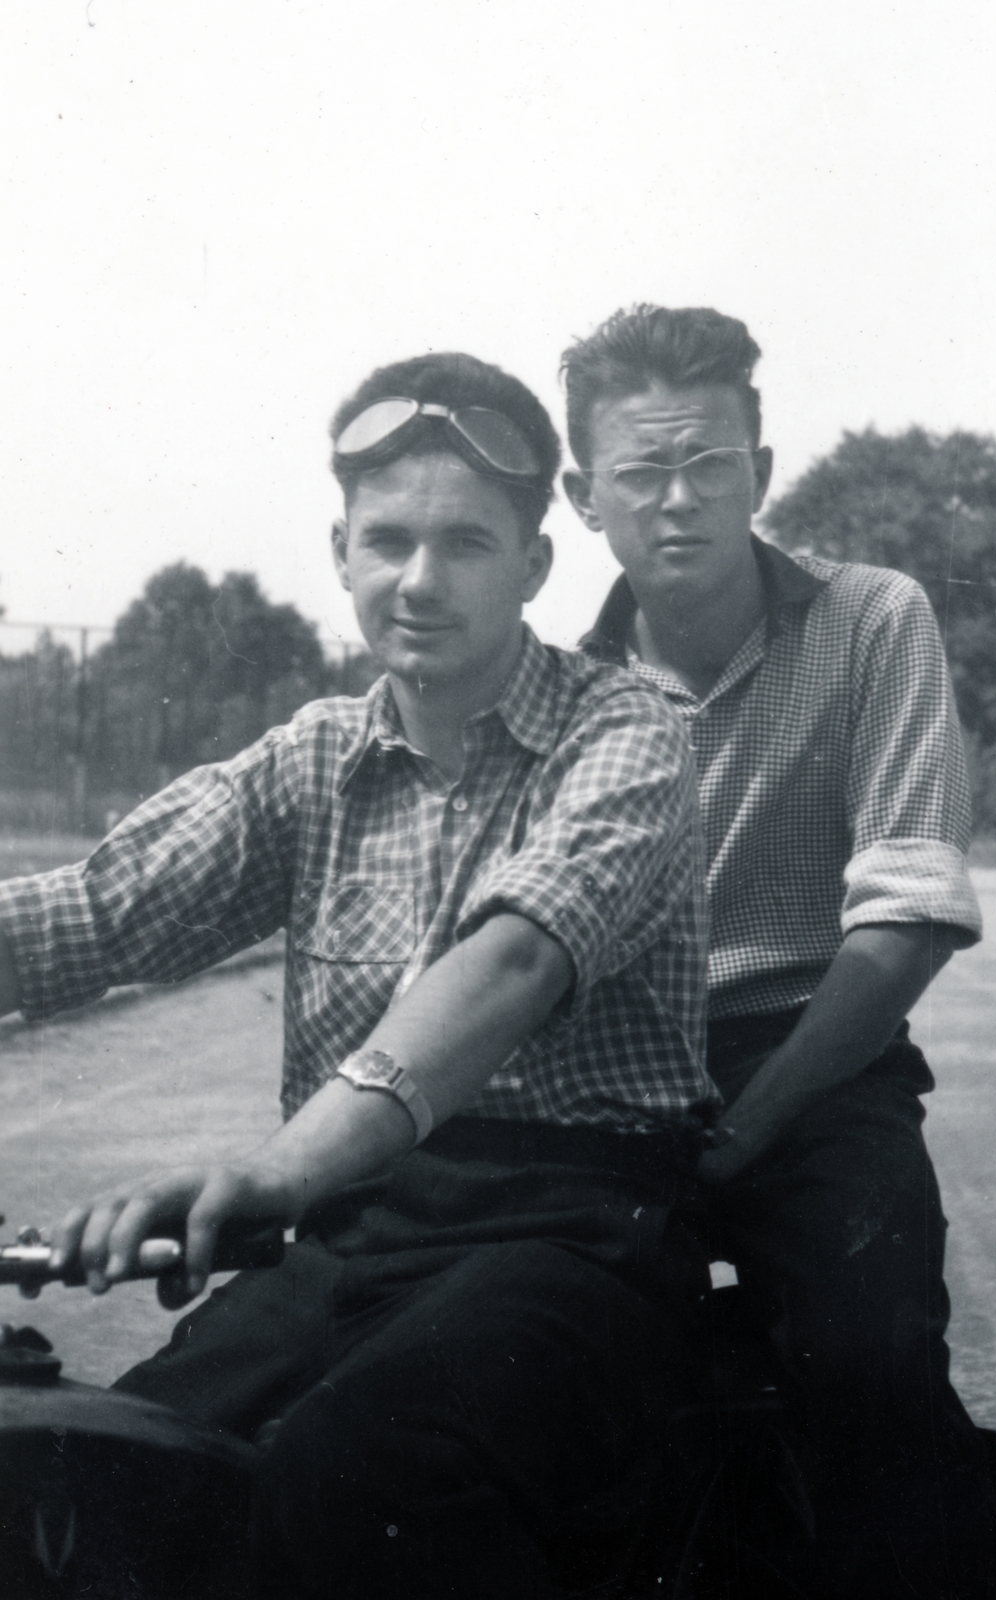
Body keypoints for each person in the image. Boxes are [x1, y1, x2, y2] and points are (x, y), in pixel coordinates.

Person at [0, 352, 722, 1599]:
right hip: (352, 1238)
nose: (420, 581)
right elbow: (91, 914)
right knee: (108, 1470)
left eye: (466, 543)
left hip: (577, 1241)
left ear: (535, 565)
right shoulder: (314, 759)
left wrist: (279, 1171)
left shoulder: (628, 734)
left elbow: (507, 962)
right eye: (387, 540)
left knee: (360, 1468)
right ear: (340, 550)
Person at [563, 305, 996, 1598]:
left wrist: (756, 1116)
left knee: (867, 1357)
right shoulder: (560, 693)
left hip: (817, 1059)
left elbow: (904, 909)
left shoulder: (869, 622)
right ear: (580, 496)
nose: (676, 504)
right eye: (638, 474)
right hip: (615, 1082)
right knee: (519, 1369)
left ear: (761, 474)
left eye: (708, 466)